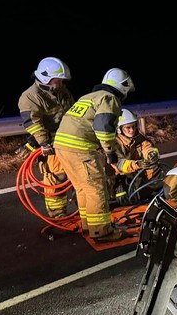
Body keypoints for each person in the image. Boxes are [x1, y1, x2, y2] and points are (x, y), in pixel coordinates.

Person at [53, 68, 135, 242]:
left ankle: (87, 225)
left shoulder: (88, 97)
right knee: (96, 188)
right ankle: (102, 231)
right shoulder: (109, 98)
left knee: (82, 187)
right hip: (79, 147)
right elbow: (103, 127)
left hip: (61, 145)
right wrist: (110, 152)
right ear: (123, 87)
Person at [18, 57, 75, 218]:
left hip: (69, 141)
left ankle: (85, 211)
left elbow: (72, 113)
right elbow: (33, 123)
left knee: (78, 175)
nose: (61, 83)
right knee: (56, 178)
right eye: (59, 80)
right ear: (46, 78)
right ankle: (57, 215)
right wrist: (44, 143)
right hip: (51, 145)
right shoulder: (30, 97)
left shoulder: (62, 92)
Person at [109, 108, 163, 204]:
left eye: (133, 126)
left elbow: (147, 146)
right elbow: (120, 164)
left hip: (135, 174)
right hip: (120, 179)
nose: (132, 130)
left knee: (154, 167)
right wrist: (138, 164)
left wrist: (151, 154)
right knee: (123, 198)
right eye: (128, 128)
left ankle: (148, 193)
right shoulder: (115, 144)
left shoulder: (138, 138)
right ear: (119, 129)